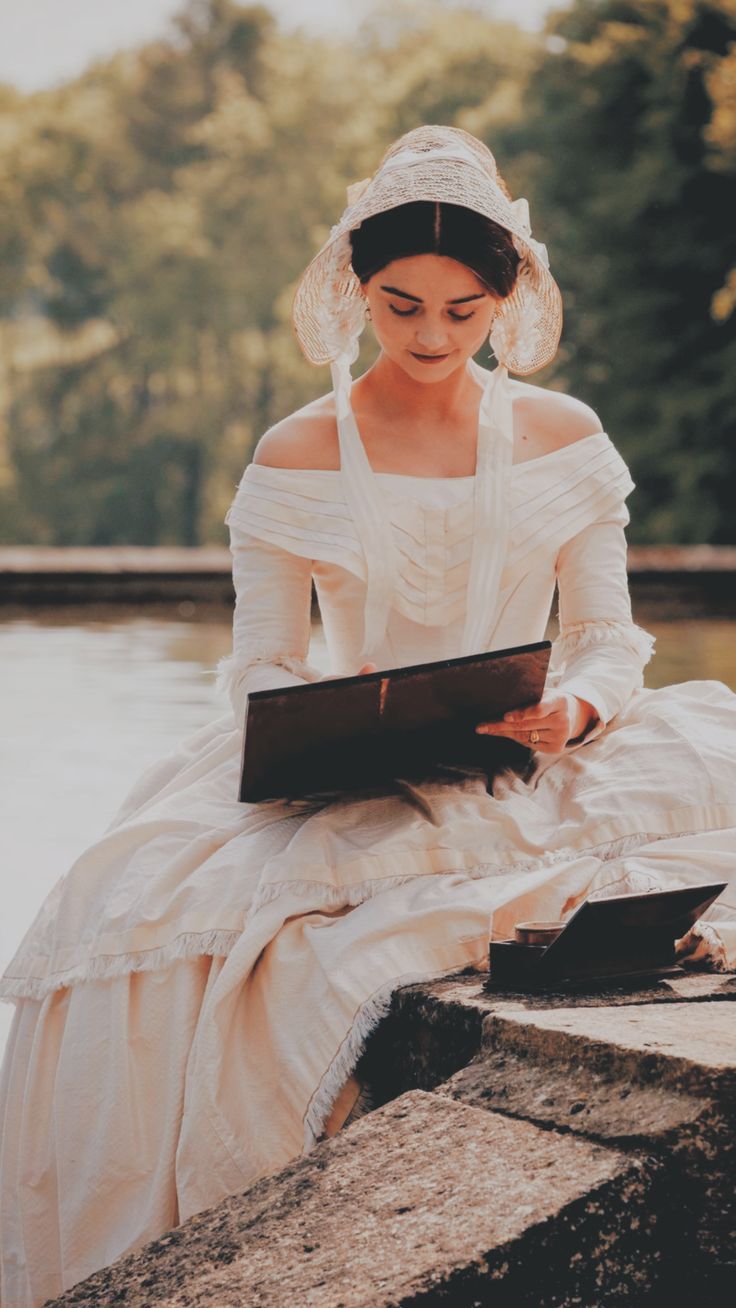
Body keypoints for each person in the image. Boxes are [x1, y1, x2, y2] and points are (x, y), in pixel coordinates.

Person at [1, 124, 735, 1306]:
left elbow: (609, 637)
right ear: (356, 291)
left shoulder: (566, 436)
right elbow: (261, 668)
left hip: (538, 756)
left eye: (462, 310)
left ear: (509, 299)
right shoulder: (294, 452)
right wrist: (332, 733)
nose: (432, 337)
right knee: (144, 938)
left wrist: (579, 706)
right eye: (401, 308)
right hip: (352, 760)